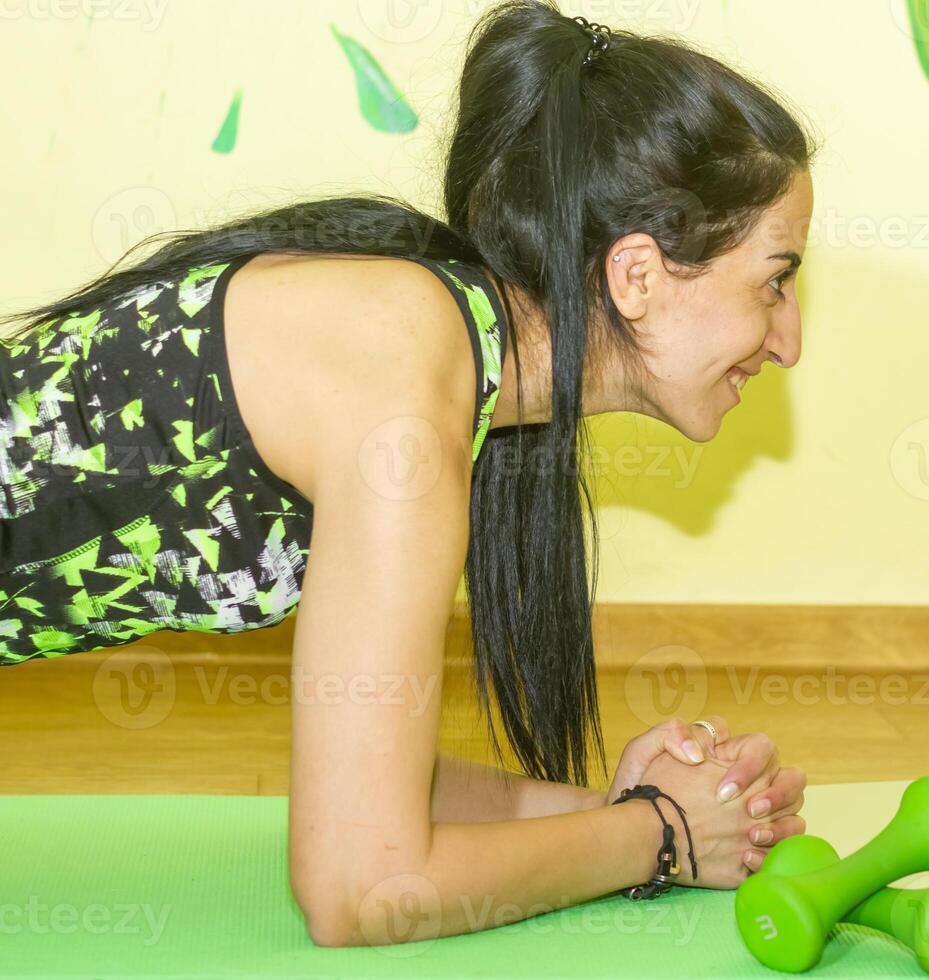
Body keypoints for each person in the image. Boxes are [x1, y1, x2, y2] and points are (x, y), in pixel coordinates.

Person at [0, 0, 816, 948]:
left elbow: (373, 799)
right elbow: (365, 888)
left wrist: (627, 808)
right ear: (634, 275)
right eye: (775, 279)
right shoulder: (403, 387)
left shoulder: (433, 344)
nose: (789, 341)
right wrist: (658, 837)